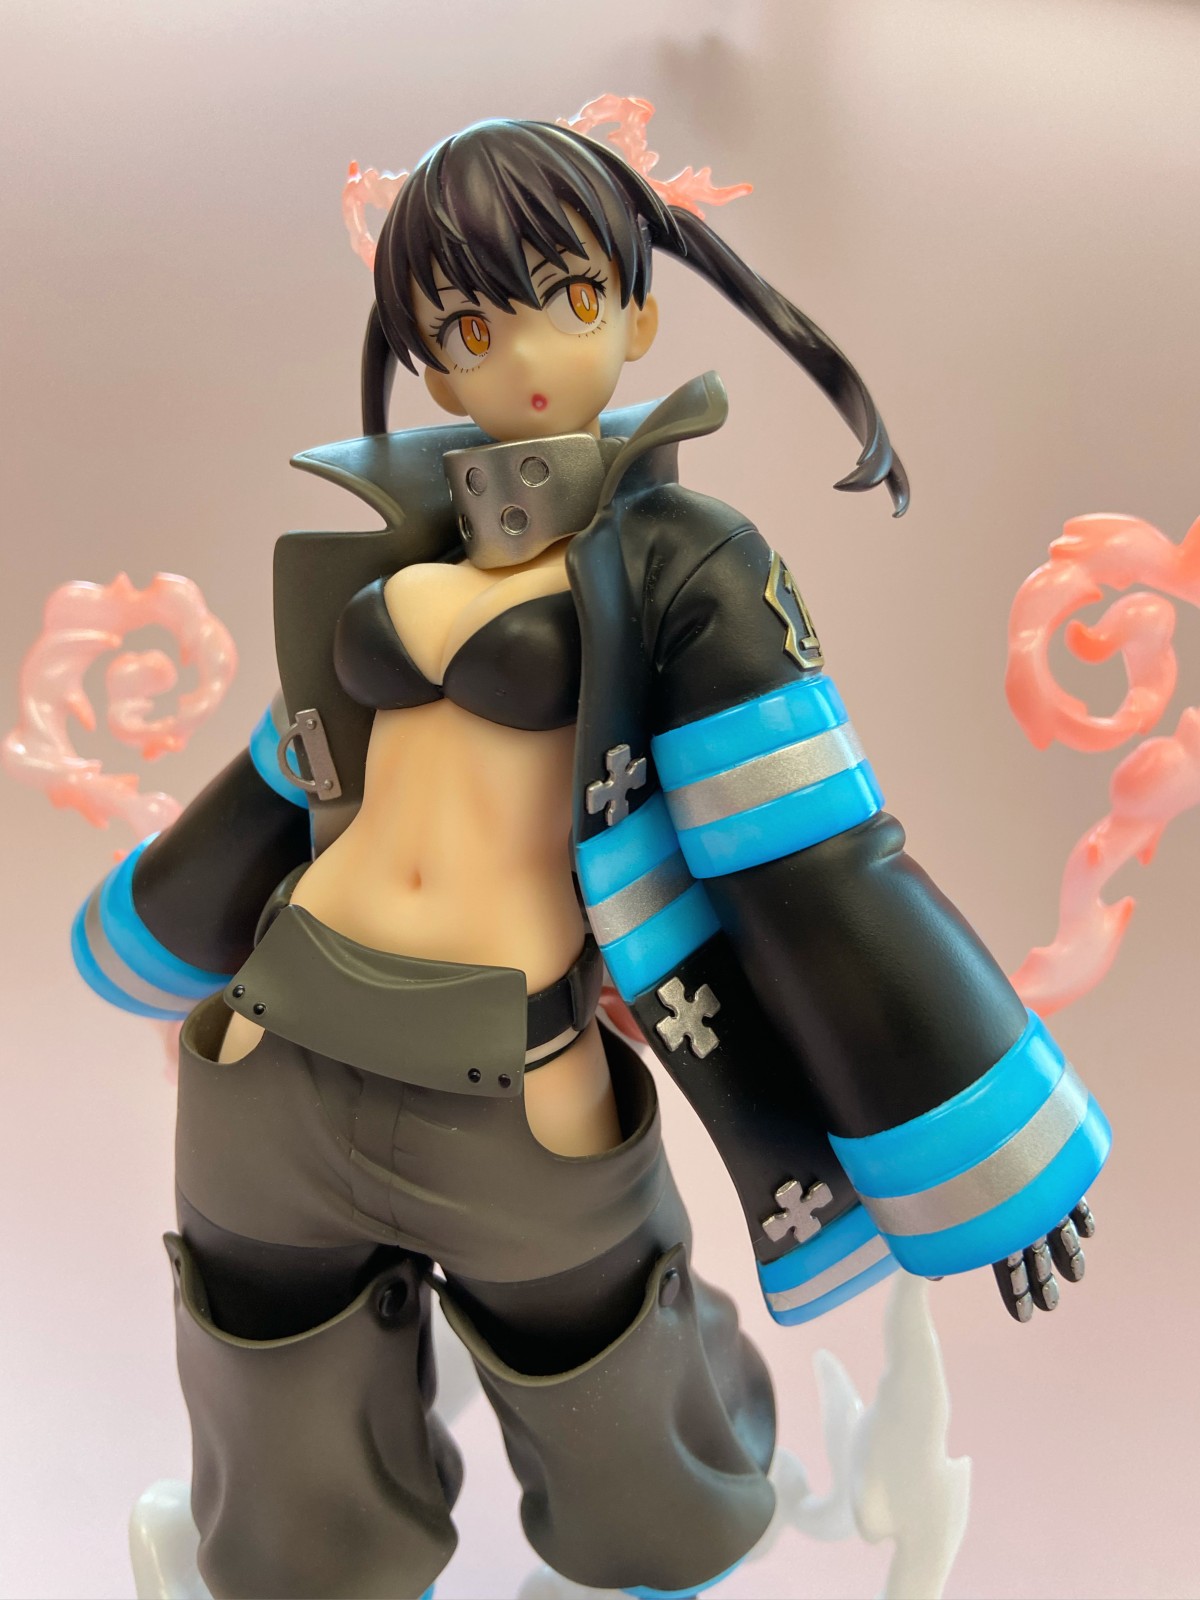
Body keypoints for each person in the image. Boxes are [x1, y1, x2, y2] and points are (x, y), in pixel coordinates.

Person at [72, 116, 1110, 1600]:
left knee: (648, 1492)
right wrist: (149, 934)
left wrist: (989, 1140)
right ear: (432, 365)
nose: (523, 352)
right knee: (288, 1530)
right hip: (274, 1070)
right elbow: (286, 778)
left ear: (637, 313)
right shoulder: (397, 540)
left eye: (567, 296)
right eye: (467, 325)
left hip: (517, 1098)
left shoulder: (692, 565)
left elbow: (815, 856)